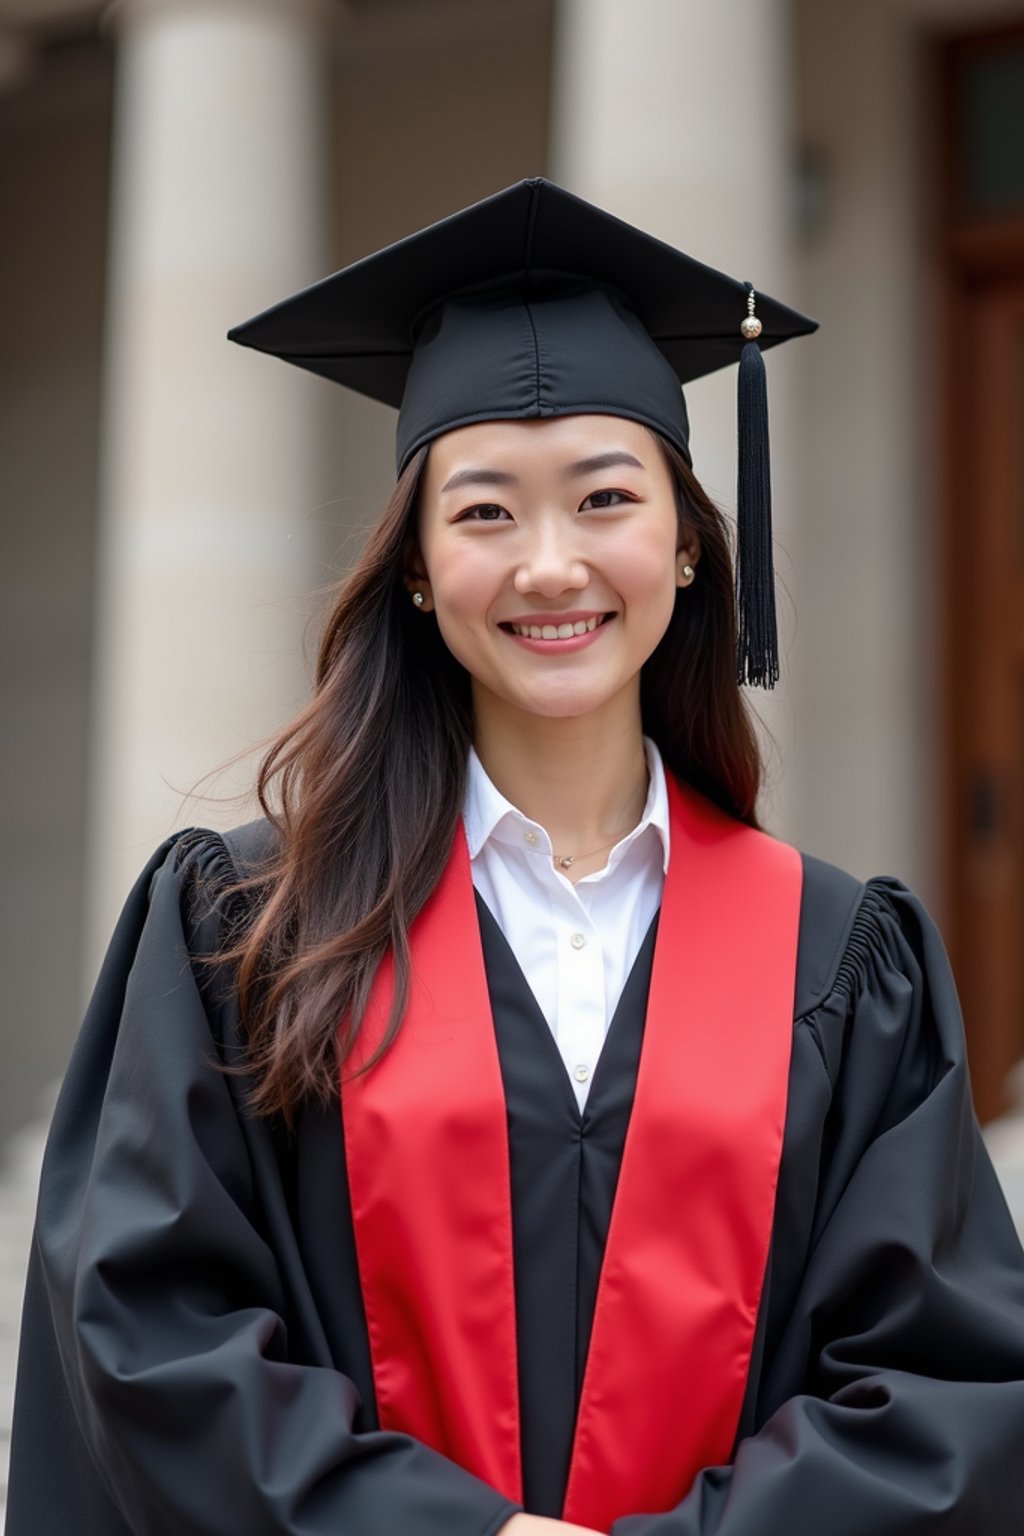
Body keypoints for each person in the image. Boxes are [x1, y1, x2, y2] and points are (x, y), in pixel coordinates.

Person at [7, 178, 1024, 1536]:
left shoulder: (837, 959)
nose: (552, 565)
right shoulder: (248, 928)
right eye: (485, 513)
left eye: (606, 498)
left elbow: (940, 1384)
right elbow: (146, 1332)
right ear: (418, 569)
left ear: (683, 548)